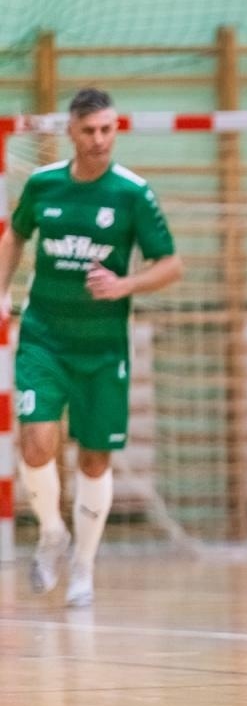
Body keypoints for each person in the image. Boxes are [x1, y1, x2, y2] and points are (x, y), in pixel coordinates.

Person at [0, 87, 183, 606]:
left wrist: (124, 286)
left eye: (107, 129)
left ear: (115, 128)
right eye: (89, 131)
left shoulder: (132, 193)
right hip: (44, 338)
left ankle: (82, 565)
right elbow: (15, 235)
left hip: (103, 349)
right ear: (71, 133)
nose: (100, 140)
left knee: (94, 460)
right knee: (36, 442)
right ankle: (52, 532)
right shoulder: (44, 186)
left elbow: (170, 264)